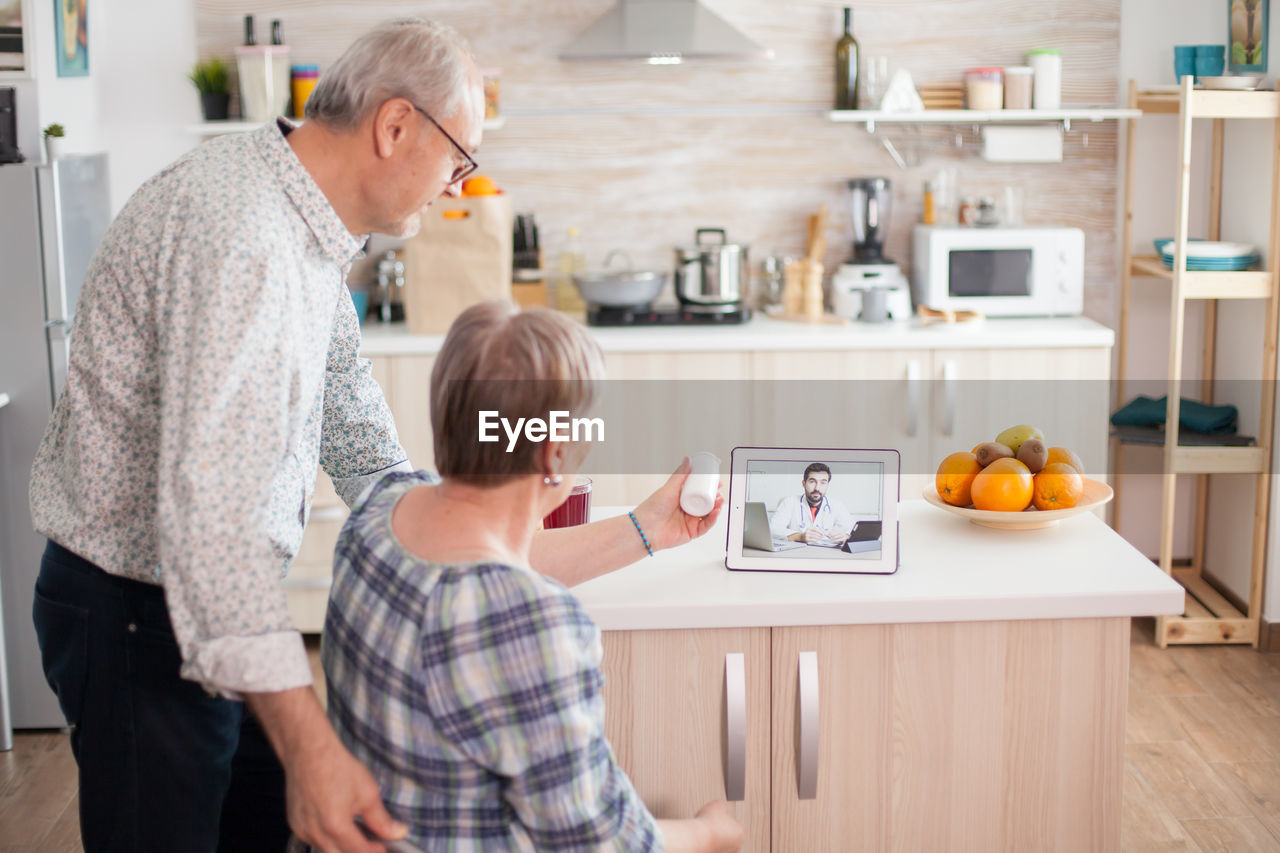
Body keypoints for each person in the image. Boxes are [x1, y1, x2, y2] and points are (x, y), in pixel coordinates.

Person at [29, 18, 719, 853]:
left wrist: (434, 513)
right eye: (460, 158)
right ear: (395, 127)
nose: (461, 186)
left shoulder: (303, 217)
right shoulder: (247, 243)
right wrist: (312, 746)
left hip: (204, 609)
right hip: (137, 609)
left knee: (250, 812)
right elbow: (212, 533)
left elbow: (350, 405)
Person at [322, 301, 743, 853]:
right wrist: (712, 832)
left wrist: (645, 529)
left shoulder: (378, 512)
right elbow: (600, 843)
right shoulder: (534, 629)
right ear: (554, 455)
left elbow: (482, 570)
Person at [768, 462, 853, 545]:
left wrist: (845, 536)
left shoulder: (837, 505)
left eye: (823, 482)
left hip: (827, 554)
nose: (817, 488)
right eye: (812, 482)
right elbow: (773, 530)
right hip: (797, 553)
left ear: (827, 485)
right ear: (804, 484)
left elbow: (852, 530)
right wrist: (800, 537)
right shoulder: (789, 502)